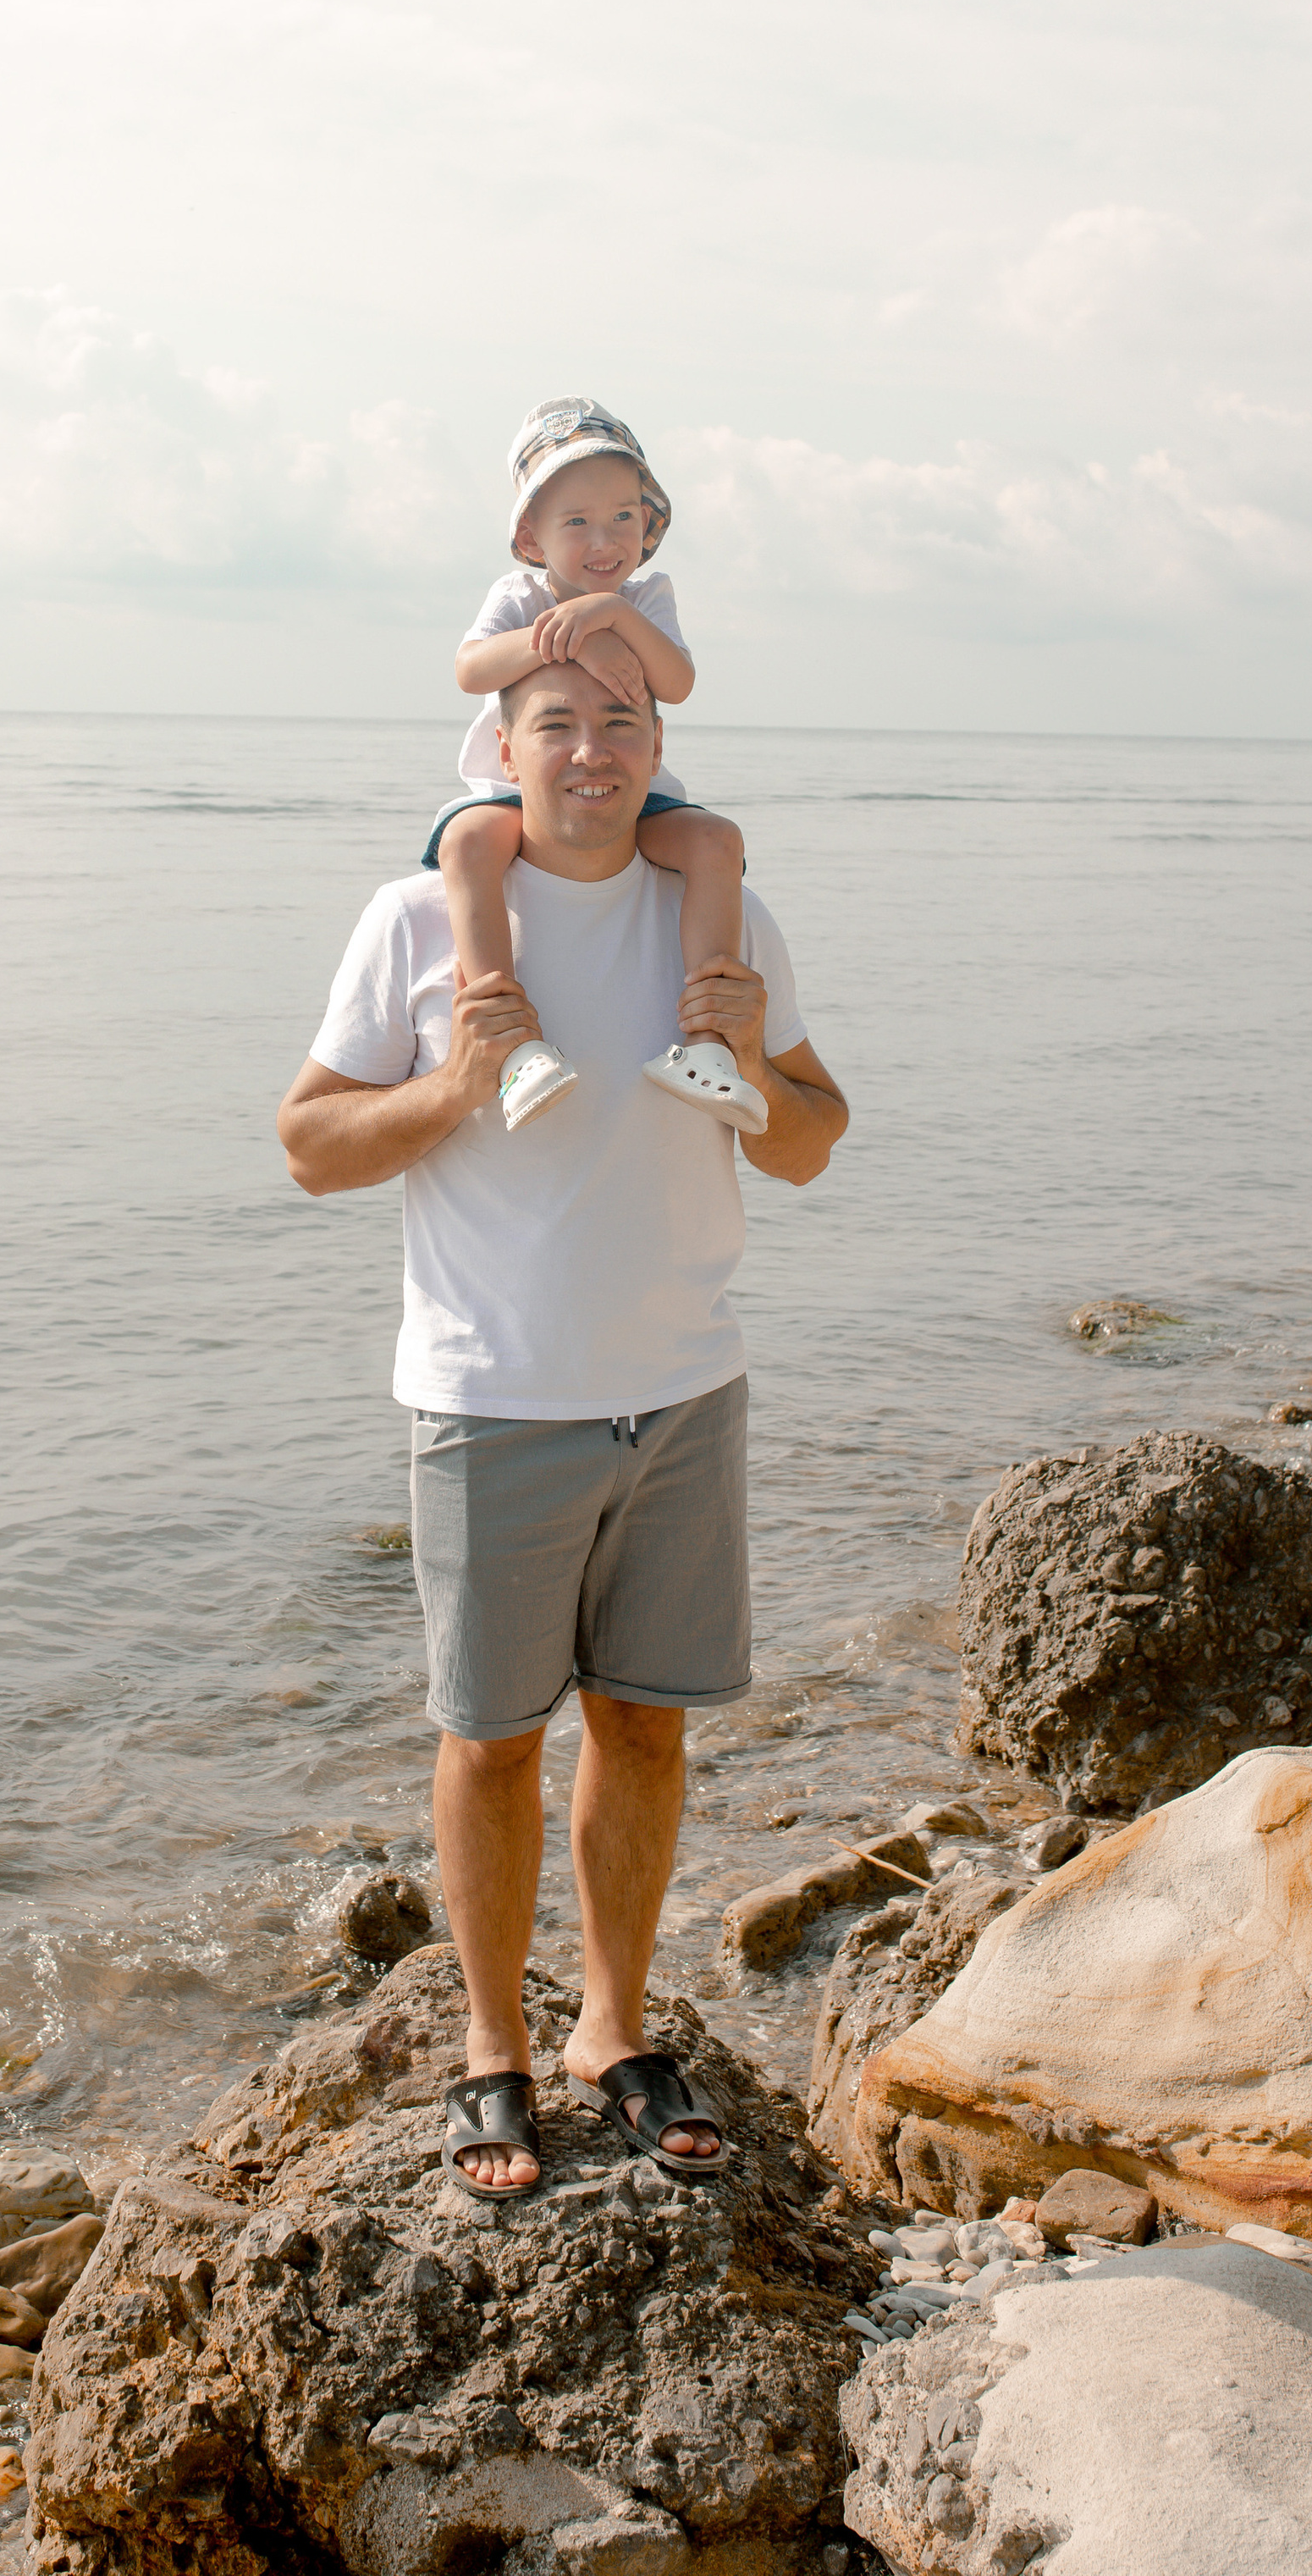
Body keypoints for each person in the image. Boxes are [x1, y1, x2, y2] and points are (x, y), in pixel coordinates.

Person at [276, 644, 847, 2200]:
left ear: (658, 742)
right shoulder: (416, 922)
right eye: (559, 725)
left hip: (683, 1388)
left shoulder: (719, 918)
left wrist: (741, 1059)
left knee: (647, 1723)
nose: (592, 749)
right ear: (503, 748)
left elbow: (809, 1139)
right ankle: (488, 2052)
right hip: (493, 1398)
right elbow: (313, 1144)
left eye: (622, 723)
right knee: (489, 1739)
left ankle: (611, 2026)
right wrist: (458, 1086)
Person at [427, 398, 760, 1136]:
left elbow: (676, 683)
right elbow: (470, 669)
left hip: (629, 802)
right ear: (532, 536)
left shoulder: (647, 598)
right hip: (523, 795)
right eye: (575, 521)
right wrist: (571, 641)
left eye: (622, 518)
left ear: (647, 528)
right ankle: (514, 1048)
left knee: (717, 845)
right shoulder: (518, 598)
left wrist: (613, 619)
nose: (602, 539)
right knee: (466, 845)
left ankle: (706, 1047)